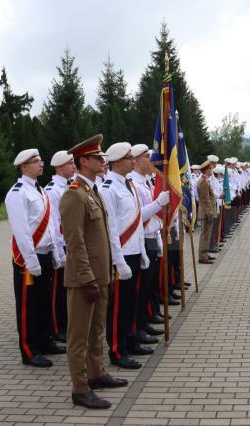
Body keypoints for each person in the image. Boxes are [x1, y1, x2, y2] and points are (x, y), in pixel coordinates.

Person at [60, 134, 127, 409]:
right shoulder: (74, 195)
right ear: (84, 161)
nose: (103, 161)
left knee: (96, 330)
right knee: (78, 336)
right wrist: (87, 278)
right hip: (83, 279)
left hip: (100, 275)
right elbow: (74, 243)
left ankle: (97, 373)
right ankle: (80, 387)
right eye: (98, 157)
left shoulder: (92, 191)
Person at [4, 148, 66, 369]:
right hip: (29, 261)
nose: (41, 164)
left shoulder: (40, 190)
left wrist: (56, 253)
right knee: (28, 307)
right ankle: (29, 351)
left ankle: (45, 341)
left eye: (41, 161)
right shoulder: (17, 193)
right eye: (36, 161)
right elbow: (21, 232)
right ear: (23, 167)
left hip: (46, 255)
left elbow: (50, 226)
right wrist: (31, 261)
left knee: (44, 303)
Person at [99, 142, 152, 369]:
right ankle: (117, 350)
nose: (134, 160)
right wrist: (118, 260)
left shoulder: (128, 183)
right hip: (120, 255)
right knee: (118, 307)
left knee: (130, 303)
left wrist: (141, 251)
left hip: (133, 252)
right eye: (130, 157)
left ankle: (129, 341)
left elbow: (137, 220)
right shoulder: (109, 188)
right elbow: (110, 228)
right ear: (118, 161)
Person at [127, 144, 170, 340]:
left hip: (152, 237)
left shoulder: (145, 181)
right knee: (140, 288)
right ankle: (139, 325)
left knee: (149, 285)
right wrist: (159, 203)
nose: (150, 160)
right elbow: (139, 215)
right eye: (146, 156)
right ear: (135, 160)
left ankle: (145, 321)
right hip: (140, 238)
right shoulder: (132, 183)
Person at [45, 150, 76, 343]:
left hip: (71, 243)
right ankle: (57, 328)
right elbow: (54, 224)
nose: (74, 166)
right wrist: (58, 252)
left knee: (68, 290)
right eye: (70, 163)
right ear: (59, 167)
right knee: (58, 291)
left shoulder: (69, 186)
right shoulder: (52, 190)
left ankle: (66, 324)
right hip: (61, 245)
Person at [197, 159, 216, 264]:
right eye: (210, 168)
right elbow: (205, 200)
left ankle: (205, 253)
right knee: (205, 234)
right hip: (206, 212)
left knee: (207, 234)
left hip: (207, 211)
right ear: (206, 170)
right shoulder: (203, 182)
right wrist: (210, 212)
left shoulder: (205, 180)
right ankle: (202, 256)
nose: (212, 169)